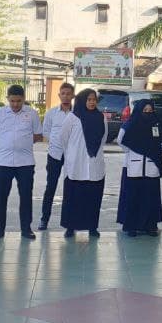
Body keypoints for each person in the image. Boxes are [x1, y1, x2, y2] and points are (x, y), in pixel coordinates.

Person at [0, 84, 44, 239]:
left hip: (25, 162)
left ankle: (26, 229)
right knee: (0, 197)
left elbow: (38, 135)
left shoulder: (32, 114)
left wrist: (22, 144)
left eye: (19, 101)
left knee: (25, 196)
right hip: (2, 162)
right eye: (12, 101)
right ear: (8, 99)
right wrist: (5, 145)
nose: (15, 104)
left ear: (24, 99)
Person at [58, 88, 107, 238]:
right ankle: (70, 227)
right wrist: (72, 154)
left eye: (94, 100)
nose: (92, 102)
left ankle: (92, 227)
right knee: (74, 199)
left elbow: (103, 138)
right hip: (76, 166)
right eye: (89, 99)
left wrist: (92, 152)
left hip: (94, 165)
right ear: (82, 100)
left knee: (93, 199)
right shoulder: (72, 117)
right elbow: (63, 138)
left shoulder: (101, 117)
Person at [115, 99, 162, 236]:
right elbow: (121, 140)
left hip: (151, 167)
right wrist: (134, 149)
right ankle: (131, 226)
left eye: (150, 111)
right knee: (133, 198)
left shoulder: (157, 125)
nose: (148, 113)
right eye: (145, 110)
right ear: (138, 111)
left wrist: (156, 150)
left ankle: (150, 226)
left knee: (150, 199)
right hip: (134, 168)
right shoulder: (130, 125)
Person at [38, 83, 75, 230]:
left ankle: (70, 222)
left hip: (72, 155)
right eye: (63, 93)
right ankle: (44, 219)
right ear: (59, 95)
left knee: (71, 188)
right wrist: (57, 142)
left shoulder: (77, 113)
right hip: (54, 154)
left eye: (68, 93)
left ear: (73, 95)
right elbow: (46, 132)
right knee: (50, 187)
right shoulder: (51, 113)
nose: (65, 96)